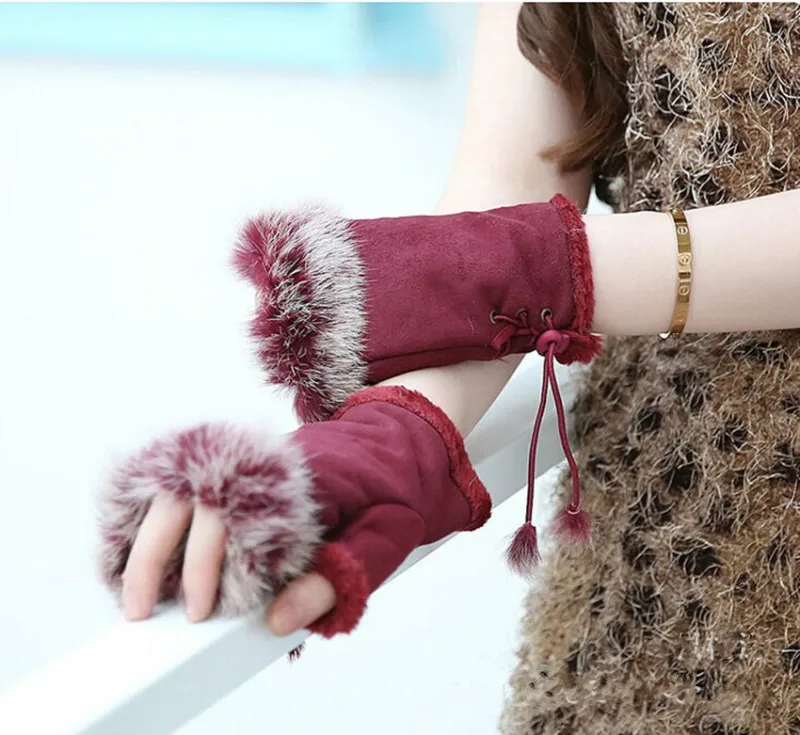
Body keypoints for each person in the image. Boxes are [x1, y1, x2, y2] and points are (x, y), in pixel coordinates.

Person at [97, 3, 799, 732]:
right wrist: (392, 435)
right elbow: (517, 179)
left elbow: (508, 256)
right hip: (661, 537)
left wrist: (537, 270)